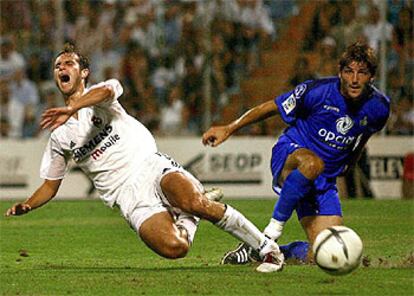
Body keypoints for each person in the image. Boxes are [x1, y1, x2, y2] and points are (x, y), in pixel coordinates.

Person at [4, 43, 284, 273]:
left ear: (84, 72)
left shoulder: (102, 95)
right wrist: (27, 205)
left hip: (149, 165)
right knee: (176, 248)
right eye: (57, 66)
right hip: (126, 195)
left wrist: (74, 106)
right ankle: (189, 214)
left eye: (68, 64)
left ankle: (266, 248)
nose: (61, 68)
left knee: (193, 201)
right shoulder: (59, 136)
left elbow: (107, 90)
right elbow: (51, 185)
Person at [202, 42, 390, 265]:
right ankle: (269, 236)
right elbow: (271, 106)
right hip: (291, 155)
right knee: (312, 164)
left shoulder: (379, 107)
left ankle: (256, 250)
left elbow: (364, 134)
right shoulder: (317, 91)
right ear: (340, 72)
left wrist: (353, 159)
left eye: (362, 73)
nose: (355, 79)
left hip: (324, 180)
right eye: (349, 71)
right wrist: (229, 128)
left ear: (372, 77)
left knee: (326, 256)